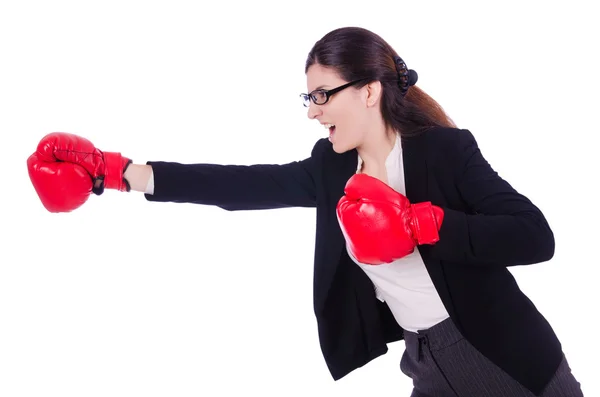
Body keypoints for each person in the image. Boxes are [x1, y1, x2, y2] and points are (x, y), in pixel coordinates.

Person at [26, 26, 583, 396]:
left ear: (368, 91)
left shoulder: (445, 151)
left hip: (503, 354)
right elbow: (242, 185)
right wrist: (120, 172)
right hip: (426, 360)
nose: (313, 112)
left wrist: (423, 224)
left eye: (323, 95)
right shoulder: (332, 168)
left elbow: (534, 236)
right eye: (308, 98)